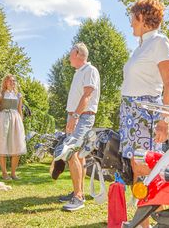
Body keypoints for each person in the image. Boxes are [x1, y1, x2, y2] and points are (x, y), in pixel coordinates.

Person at [120, 0, 169, 228]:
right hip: (130, 112)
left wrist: (165, 119)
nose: (130, 22)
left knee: (147, 169)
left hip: (146, 113)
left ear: (142, 17)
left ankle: (160, 224)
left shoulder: (159, 42)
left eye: (132, 17)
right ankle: (144, 225)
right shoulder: (141, 46)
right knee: (137, 169)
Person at [54, 42, 100, 211]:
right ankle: (77, 191)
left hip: (83, 116)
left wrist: (74, 116)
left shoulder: (90, 70)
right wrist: (71, 117)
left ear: (79, 54)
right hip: (76, 115)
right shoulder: (79, 73)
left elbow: (87, 95)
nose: (68, 57)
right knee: (78, 155)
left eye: (71, 53)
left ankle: (78, 197)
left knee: (70, 151)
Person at [0, 74, 27, 180]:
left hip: (16, 119)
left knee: (17, 145)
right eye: (10, 81)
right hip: (3, 119)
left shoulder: (18, 95)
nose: (12, 82)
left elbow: (20, 109)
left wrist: (20, 123)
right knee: (2, 144)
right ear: (5, 82)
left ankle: (13, 173)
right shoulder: (1, 93)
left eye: (13, 81)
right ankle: (4, 173)